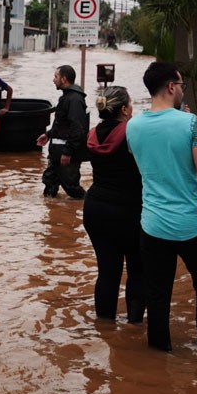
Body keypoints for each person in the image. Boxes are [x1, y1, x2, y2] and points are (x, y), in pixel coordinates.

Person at [125, 61, 197, 351]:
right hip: (191, 225)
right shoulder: (192, 123)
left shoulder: (132, 126)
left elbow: (149, 164)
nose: (182, 89)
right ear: (172, 87)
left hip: (153, 225)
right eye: (181, 84)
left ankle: (160, 352)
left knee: (157, 293)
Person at [83, 86, 143, 323]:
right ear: (126, 109)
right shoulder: (134, 134)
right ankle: (134, 326)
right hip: (130, 210)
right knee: (138, 270)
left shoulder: (93, 134)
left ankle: (105, 327)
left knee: (107, 273)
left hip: (96, 207)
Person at [36, 65, 88, 199]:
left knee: (71, 188)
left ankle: (87, 204)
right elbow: (62, 125)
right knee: (50, 184)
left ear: (64, 79)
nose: (54, 80)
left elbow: (77, 129)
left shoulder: (75, 100)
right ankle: (52, 217)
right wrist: (48, 135)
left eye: (56, 76)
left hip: (66, 152)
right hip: (56, 152)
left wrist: (67, 152)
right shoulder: (67, 97)